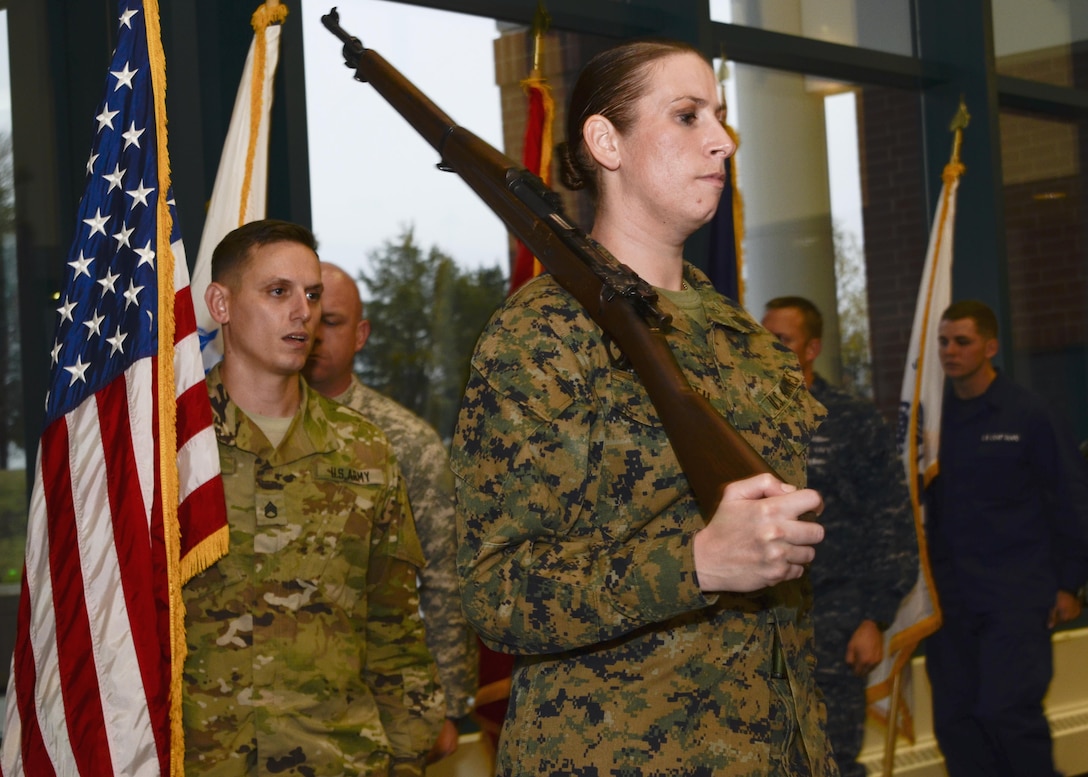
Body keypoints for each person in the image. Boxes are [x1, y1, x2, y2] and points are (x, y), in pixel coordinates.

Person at [452, 40, 836, 776]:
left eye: (720, 117)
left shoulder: (742, 337)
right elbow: (498, 592)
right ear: (606, 142)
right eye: (687, 115)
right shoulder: (543, 335)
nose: (723, 140)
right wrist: (696, 562)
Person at [182, 219, 444, 776]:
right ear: (220, 304)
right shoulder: (171, 447)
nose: (304, 311)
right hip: (203, 760)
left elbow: (394, 628)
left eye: (313, 294)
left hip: (340, 759)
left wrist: (409, 757)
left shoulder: (364, 449)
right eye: (279, 292)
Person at [302, 260, 479, 764]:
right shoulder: (226, 434)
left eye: (331, 321)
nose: (313, 331)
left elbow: (444, 577)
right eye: (309, 315)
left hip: (380, 707)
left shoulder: (404, 441)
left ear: (360, 335)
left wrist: (447, 706)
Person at [925, 299, 1088, 776]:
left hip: (1015, 596)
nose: (949, 351)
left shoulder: (1028, 415)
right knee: (957, 724)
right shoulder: (930, 424)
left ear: (990, 347)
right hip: (950, 601)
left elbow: (1071, 500)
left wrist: (1070, 583)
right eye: (942, 342)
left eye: (962, 341)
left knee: (1008, 717)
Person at [762, 296, 918, 777]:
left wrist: (874, 617)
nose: (768, 347)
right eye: (762, 337)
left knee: (832, 759)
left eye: (781, 340)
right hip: (762, 622)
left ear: (811, 349)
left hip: (834, 616)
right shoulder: (744, 420)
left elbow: (888, 520)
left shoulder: (850, 419)